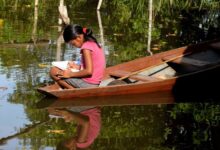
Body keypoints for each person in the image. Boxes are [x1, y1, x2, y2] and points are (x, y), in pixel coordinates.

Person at [50, 24, 106, 89]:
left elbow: (89, 72)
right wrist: (76, 67)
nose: (74, 46)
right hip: (94, 82)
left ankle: (73, 90)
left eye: (73, 43)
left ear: (79, 37)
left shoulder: (86, 48)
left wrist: (69, 74)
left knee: (53, 71)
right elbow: (92, 65)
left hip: (89, 84)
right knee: (59, 70)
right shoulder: (92, 43)